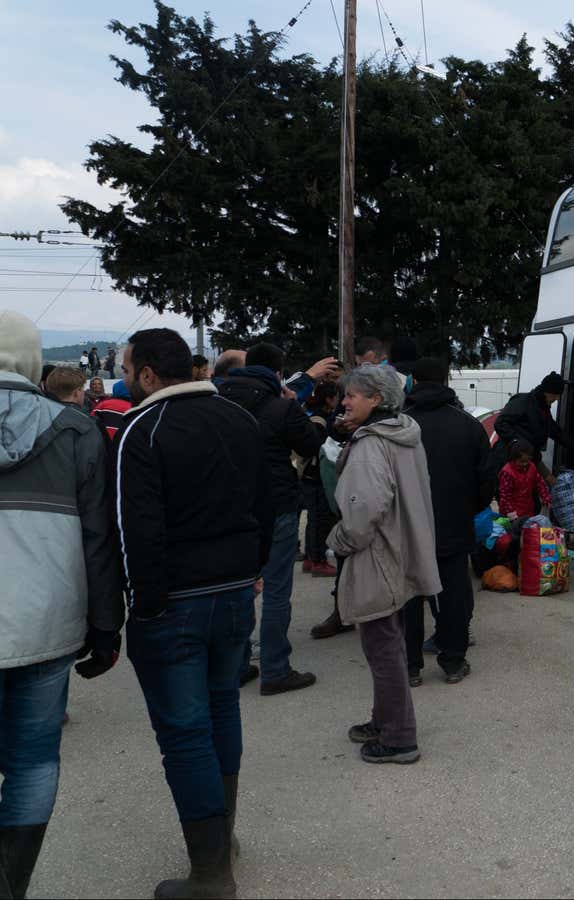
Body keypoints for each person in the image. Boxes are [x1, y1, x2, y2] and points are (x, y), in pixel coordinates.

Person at [114, 327, 274, 898]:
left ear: (149, 374)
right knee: (221, 709)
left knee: (184, 734)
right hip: (234, 590)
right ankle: (220, 838)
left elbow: (136, 530)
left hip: (176, 601)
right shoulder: (239, 418)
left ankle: (210, 873)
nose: (126, 377)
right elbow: (267, 502)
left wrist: (143, 605)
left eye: (128, 369)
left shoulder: (142, 429)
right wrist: (253, 568)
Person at [0, 311, 122, 900]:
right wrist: (107, 625)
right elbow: (99, 536)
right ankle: (13, 882)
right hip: (48, 619)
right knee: (31, 760)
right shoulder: (75, 429)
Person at [327, 364, 439, 764]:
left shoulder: (373, 443)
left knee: (383, 647)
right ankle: (385, 720)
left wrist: (337, 540)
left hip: (378, 555)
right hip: (400, 549)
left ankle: (398, 737)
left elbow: (362, 514)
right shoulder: (403, 433)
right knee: (387, 642)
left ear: (376, 398)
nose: (344, 401)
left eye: (352, 395)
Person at [217, 343, 328, 695]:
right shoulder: (281, 406)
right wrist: (312, 416)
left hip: (229, 506)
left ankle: (235, 666)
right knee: (277, 590)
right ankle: (276, 669)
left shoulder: (218, 400)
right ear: (279, 373)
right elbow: (311, 443)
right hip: (277, 503)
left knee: (237, 586)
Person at [403, 357, 494, 686]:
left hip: (408, 528)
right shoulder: (468, 425)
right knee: (454, 595)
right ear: (445, 380)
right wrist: (467, 508)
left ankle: (410, 666)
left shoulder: (400, 423)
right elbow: (486, 480)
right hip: (455, 525)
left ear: (413, 381)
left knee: (408, 597)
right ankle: (453, 662)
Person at [495, 371, 574, 477]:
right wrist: (520, 443)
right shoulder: (523, 401)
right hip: (507, 461)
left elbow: (559, 434)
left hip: (526, 461)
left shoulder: (544, 411)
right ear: (546, 392)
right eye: (555, 395)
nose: (557, 399)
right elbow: (500, 423)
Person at [299, 382, 338, 578]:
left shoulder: (313, 416)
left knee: (314, 519)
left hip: (309, 475)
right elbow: (321, 449)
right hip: (317, 475)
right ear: (329, 399)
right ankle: (318, 560)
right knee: (321, 518)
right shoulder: (320, 421)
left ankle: (309, 557)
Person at [496, 439, 549, 519]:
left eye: (528, 461)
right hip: (511, 514)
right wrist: (512, 515)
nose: (525, 464)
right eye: (522, 461)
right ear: (513, 458)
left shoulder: (532, 467)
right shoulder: (507, 473)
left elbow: (539, 483)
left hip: (528, 510)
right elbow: (505, 496)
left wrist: (545, 497)